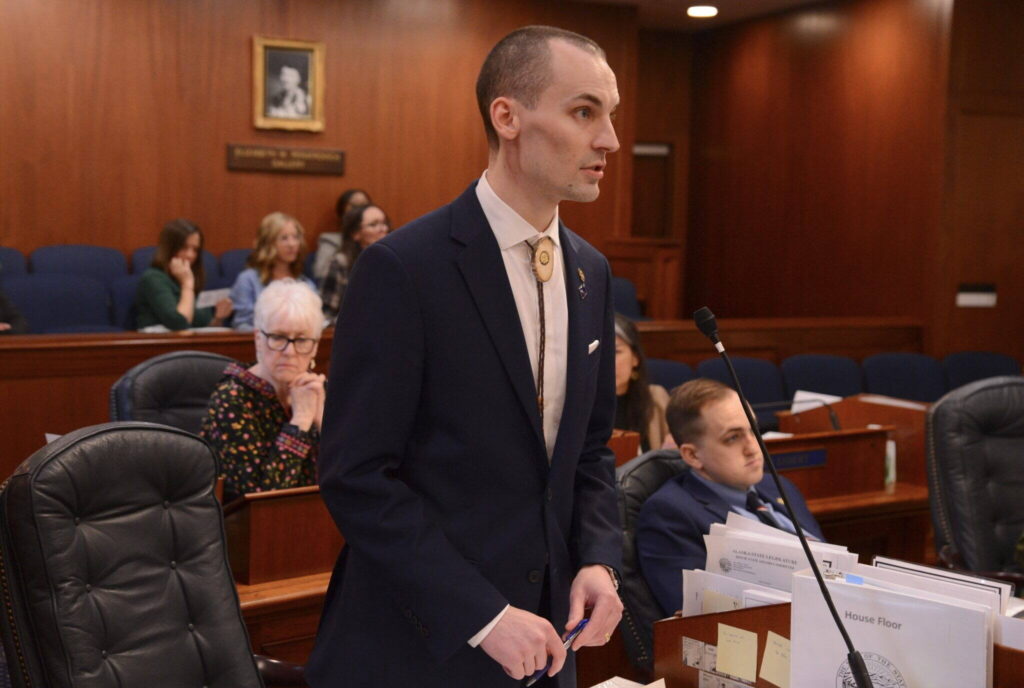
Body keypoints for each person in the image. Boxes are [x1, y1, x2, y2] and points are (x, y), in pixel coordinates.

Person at [308, 25, 623, 688]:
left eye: (609, 116)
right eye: (584, 112)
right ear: (506, 116)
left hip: (547, 647)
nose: (609, 141)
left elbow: (589, 452)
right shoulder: (404, 268)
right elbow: (356, 474)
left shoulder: (591, 272)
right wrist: (481, 614)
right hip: (419, 647)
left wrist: (597, 559)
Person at [636, 378, 824, 617]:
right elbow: (695, 622)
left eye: (754, 430)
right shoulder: (670, 513)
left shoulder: (780, 487)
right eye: (733, 438)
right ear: (693, 455)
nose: (753, 447)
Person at [199, 279, 325, 503]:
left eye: (302, 339)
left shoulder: (319, 390)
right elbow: (262, 500)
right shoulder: (232, 399)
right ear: (258, 338)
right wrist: (300, 422)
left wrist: (324, 426)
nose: (289, 351)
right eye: (278, 337)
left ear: (315, 346)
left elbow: (352, 480)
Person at [135, 218, 233, 331]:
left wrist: (217, 319)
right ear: (169, 248)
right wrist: (187, 285)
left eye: (195, 249)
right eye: (184, 248)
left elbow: (201, 323)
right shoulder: (153, 278)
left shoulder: (190, 277)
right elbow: (180, 323)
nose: (190, 255)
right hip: (159, 343)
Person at [229, 211, 316, 331]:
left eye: (295, 237)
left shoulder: (306, 284)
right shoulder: (248, 280)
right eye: (284, 238)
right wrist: (274, 336)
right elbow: (241, 325)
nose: (292, 244)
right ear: (268, 243)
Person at [320, 203, 390, 323]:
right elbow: (326, 314)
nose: (383, 229)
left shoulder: (393, 261)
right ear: (355, 233)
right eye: (374, 225)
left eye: (384, 223)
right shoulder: (340, 262)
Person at [614, 313, 672, 452]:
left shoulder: (656, 398)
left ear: (635, 358)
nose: (607, 361)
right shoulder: (579, 406)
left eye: (616, 352)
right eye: (601, 353)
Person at [312, 188, 372, 282]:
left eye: (365, 205)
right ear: (342, 212)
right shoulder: (330, 241)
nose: (360, 210)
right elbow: (320, 276)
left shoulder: (380, 238)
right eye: (355, 206)